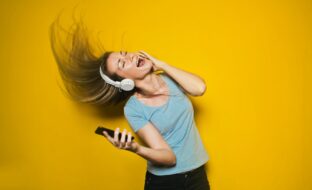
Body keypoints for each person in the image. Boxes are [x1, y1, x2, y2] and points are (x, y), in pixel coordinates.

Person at [50, 19, 210, 190]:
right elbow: (169, 157)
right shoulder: (133, 108)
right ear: (125, 82)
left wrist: (161, 64)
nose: (130, 56)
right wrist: (135, 148)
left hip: (197, 173)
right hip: (165, 182)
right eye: (123, 63)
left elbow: (199, 88)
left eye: (125, 53)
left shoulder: (171, 78)